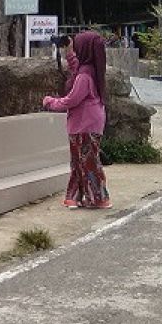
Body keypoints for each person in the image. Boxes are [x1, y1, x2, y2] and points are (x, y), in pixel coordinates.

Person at [42, 31, 111, 209]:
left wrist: (50, 102)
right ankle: (74, 197)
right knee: (80, 161)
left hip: (83, 124)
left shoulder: (84, 76)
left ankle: (99, 198)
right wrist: (70, 51)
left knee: (87, 162)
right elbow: (76, 67)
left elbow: (71, 100)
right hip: (89, 122)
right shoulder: (92, 69)